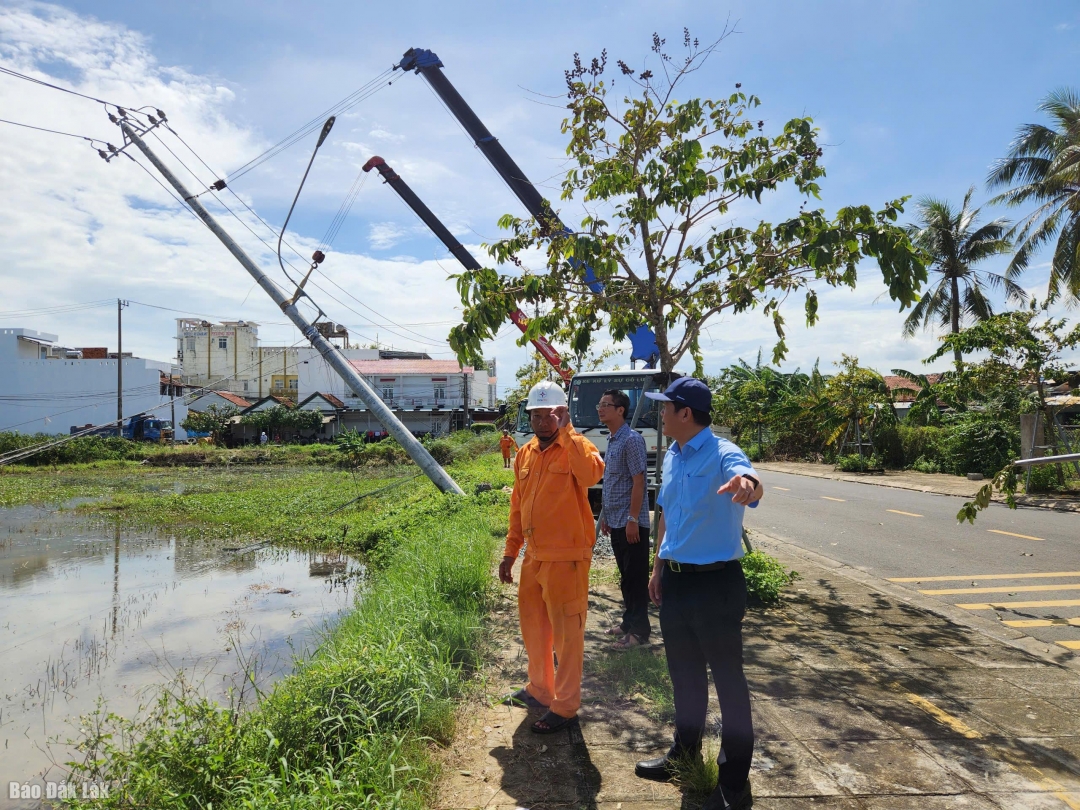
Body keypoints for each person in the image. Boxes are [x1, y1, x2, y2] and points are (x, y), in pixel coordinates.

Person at [633, 377, 763, 810]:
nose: (661, 415)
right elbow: (667, 513)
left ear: (685, 413)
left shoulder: (722, 452)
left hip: (716, 584)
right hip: (677, 581)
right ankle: (684, 752)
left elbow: (748, 478)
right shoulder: (671, 454)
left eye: (665, 408)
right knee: (684, 676)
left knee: (729, 683)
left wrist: (748, 484)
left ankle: (733, 783)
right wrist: (658, 566)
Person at [499, 380, 605, 734]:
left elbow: (591, 474)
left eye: (551, 415)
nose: (543, 421)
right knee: (534, 628)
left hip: (566, 558)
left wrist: (569, 430)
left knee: (567, 637)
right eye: (537, 415)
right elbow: (518, 506)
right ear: (529, 416)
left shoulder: (577, 446)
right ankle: (540, 690)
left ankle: (564, 706)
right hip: (534, 556)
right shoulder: (526, 453)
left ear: (561, 415)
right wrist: (510, 552)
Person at [597, 389, 652, 650]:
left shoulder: (631, 440)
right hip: (617, 519)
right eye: (600, 404)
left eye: (606, 404)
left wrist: (632, 518)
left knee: (636, 578)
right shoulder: (613, 439)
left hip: (631, 522)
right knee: (625, 577)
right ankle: (628, 623)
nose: (600, 408)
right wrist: (606, 515)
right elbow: (612, 482)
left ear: (621, 410)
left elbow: (639, 481)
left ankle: (640, 631)